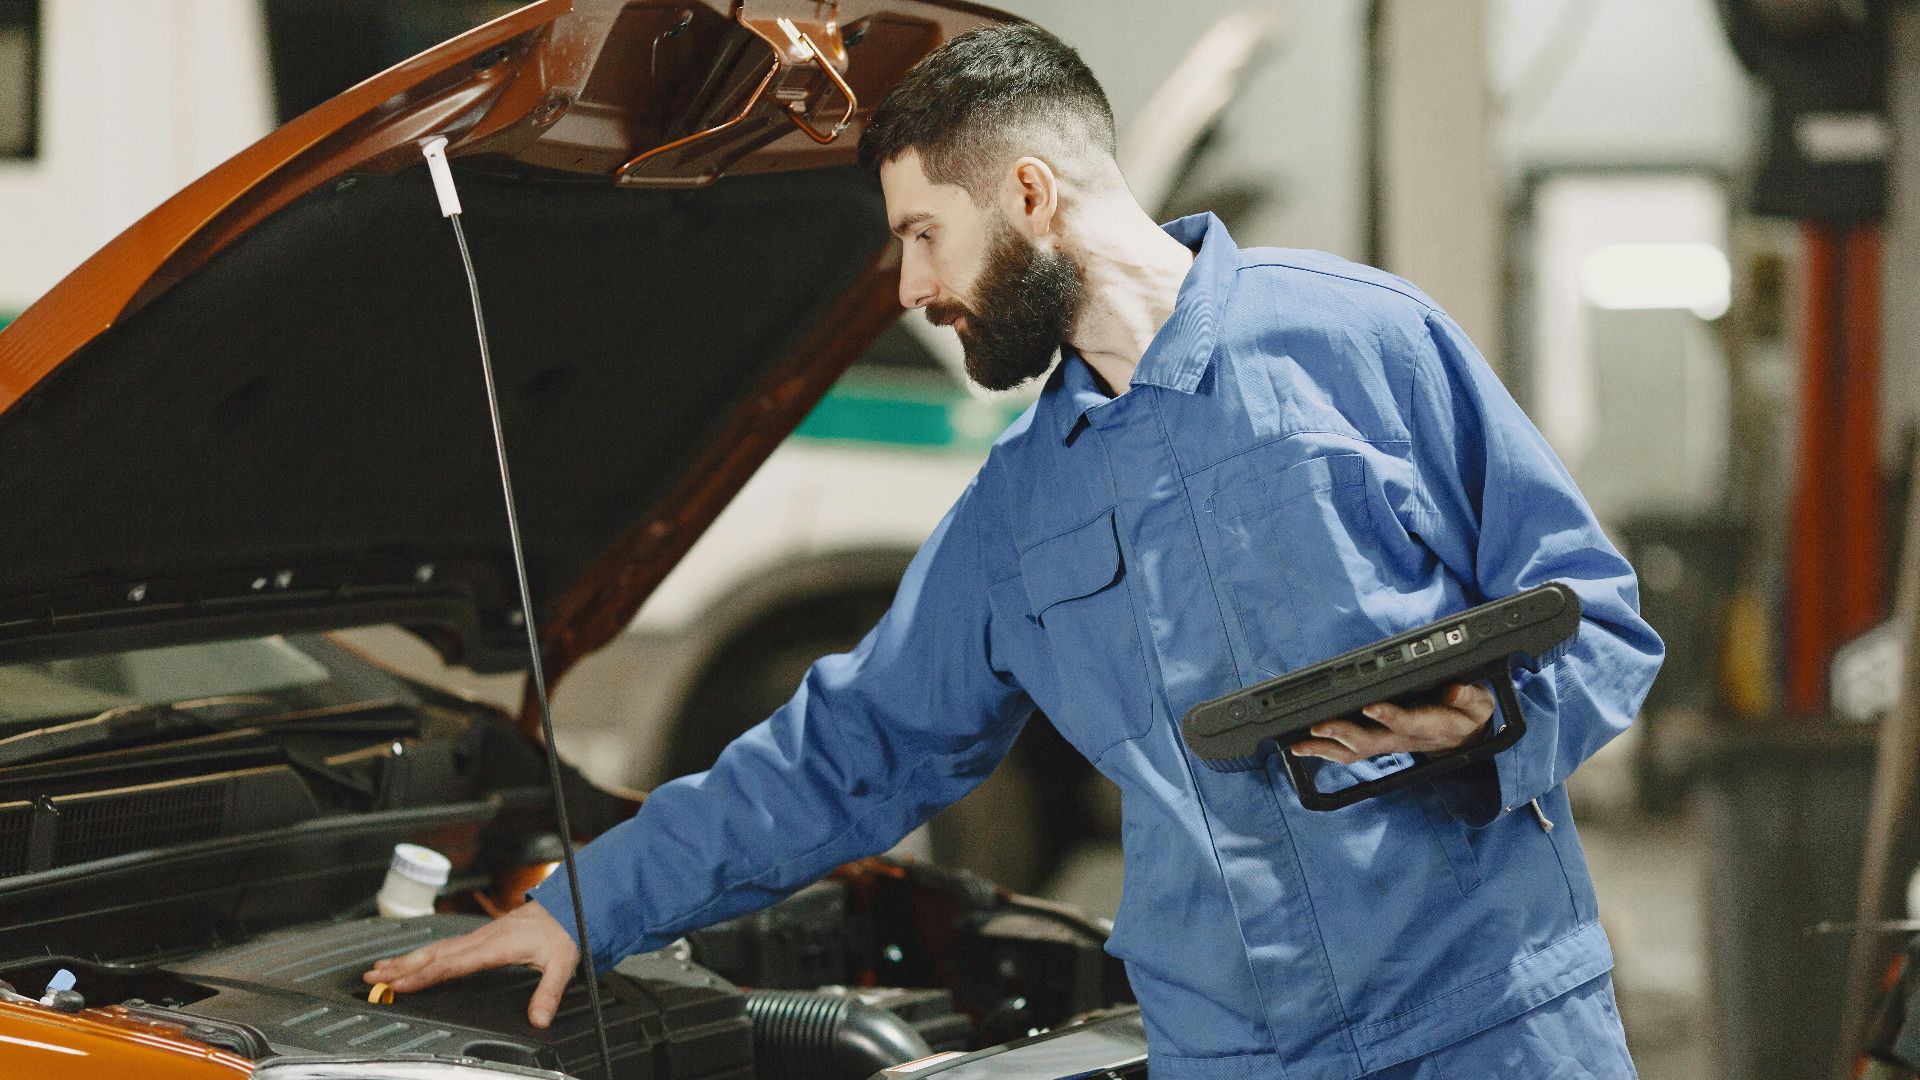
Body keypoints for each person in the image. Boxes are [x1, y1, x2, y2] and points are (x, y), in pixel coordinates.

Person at [365, 23, 1662, 1078]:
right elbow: (847, 755)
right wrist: (578, 911)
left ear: (1031, 193)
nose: (913, 289)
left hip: (1490, 1024)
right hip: (1246, 1054)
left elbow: (1596, 620)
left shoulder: (1365, 345)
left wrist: (1485, 717)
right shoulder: (1015, 510)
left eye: (923, 234)